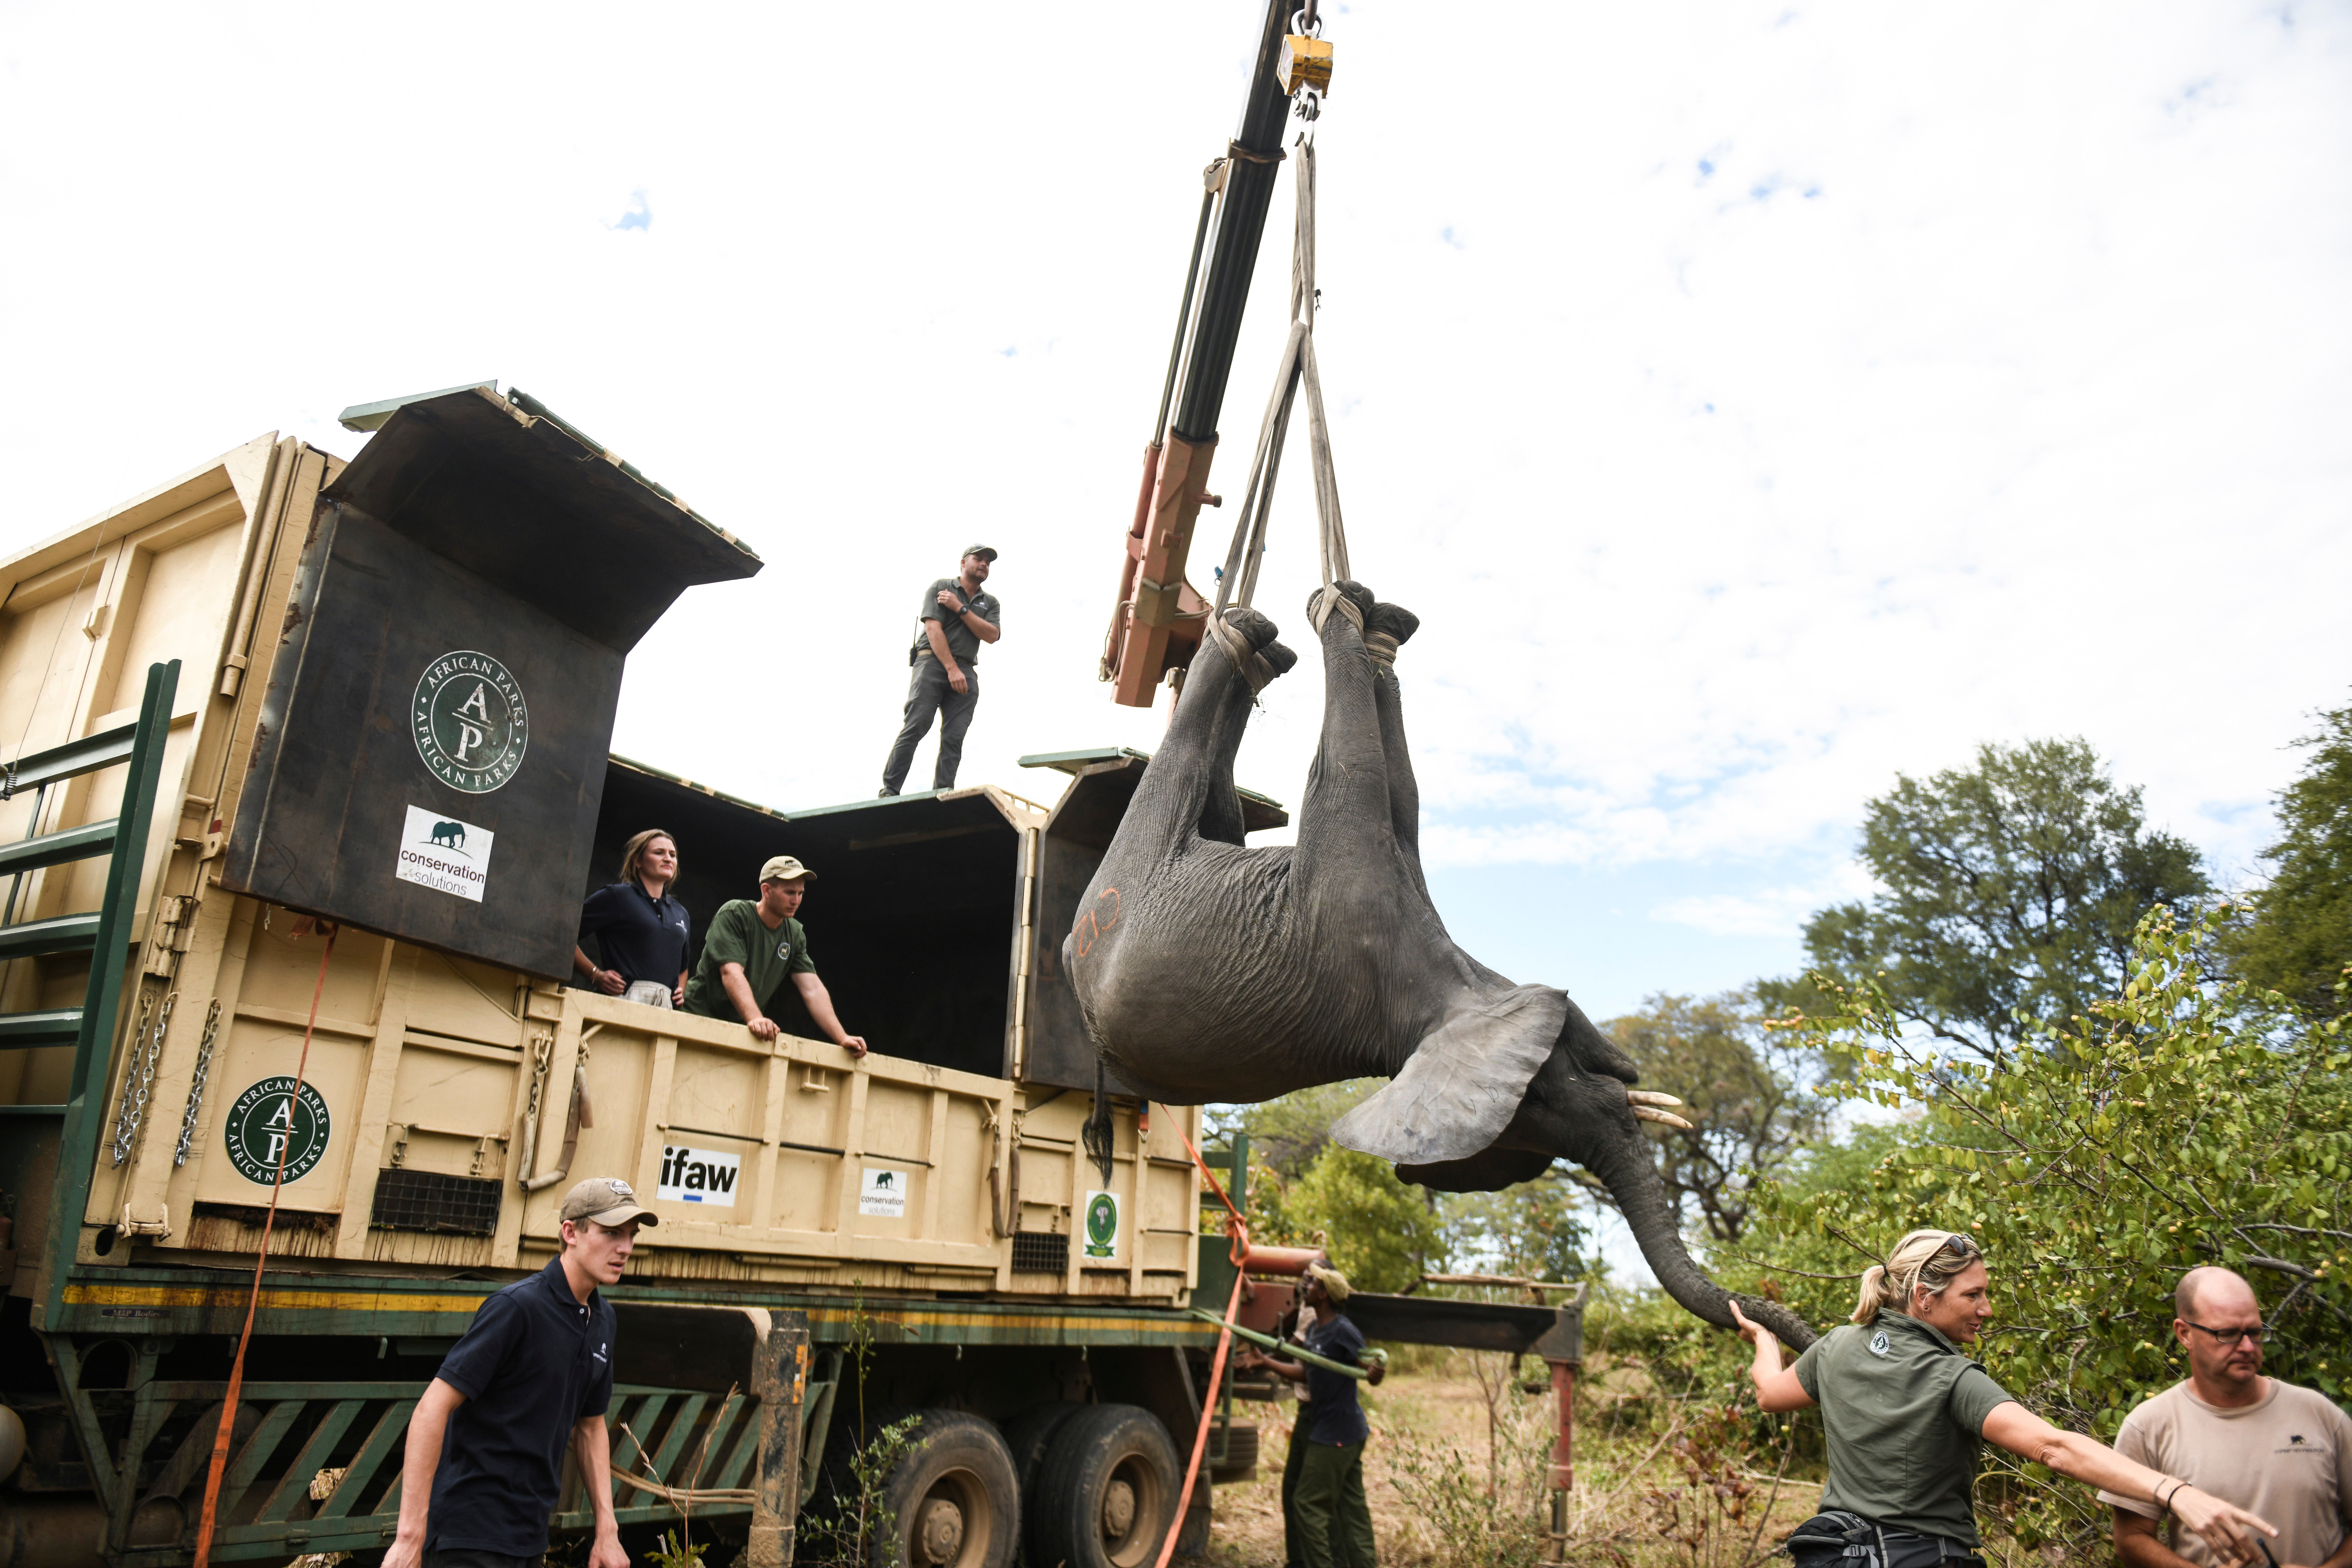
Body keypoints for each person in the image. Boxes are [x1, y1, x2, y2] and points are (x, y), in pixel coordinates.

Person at [1731, 1229, 2278, 1568]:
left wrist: (1763, 1340)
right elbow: (2052, 1446)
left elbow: (1768, 1393)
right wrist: (2175, 1491)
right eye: (1973, 1294)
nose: (1986, 1308)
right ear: (1924, 1297)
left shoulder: (1836, 1346)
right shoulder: (1951, 1376)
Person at [382, 1177, 653, 1568]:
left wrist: (607, 1533)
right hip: (468, 1536)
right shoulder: (517, 1308)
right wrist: (409, 1537)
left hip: (529, 1538)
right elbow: (431, 1409)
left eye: (631, 1235)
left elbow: (591, 1427)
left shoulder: (603, 1319)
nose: (625, 1248)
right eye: (611, 1233)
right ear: (570, 1233)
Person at [2102, 1266, 2352, 1568]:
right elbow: (2131, 1539)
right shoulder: (2149, 1427)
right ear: (2185, 1333)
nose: (2247, 1346)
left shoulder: (2320, 1414)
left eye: (2256, 1332)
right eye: (2229, 1334)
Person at [1240, 1263, 1380, 1568]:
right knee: (1350, 1506)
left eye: (1313, 1283)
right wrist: (1265, 1361)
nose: (1307, 1287)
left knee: (1307, 1503)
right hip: (1330, 1429)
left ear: (1325, 1294)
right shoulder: (1316, 1328)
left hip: (1338, 1434)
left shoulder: (1343, 1330)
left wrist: (1376, 1370)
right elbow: (1306, 1370)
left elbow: (1370, 1370)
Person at [681, 855, 868, 1055]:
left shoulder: (795, 933)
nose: (796, 901)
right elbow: (731, 972)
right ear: (767, 891)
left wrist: (842, 1038)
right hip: (696, 1018)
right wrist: (755, 1018)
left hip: (738, 1031)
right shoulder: (736, 914)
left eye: (800, 893)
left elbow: (812, 989)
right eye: (789, 893)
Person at [879, 544, 1001, 797]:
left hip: (966, 669)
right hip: (933, 663)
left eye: (988, 562)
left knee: (954, 738)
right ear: (963, 564)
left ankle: (943, 794)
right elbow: (934, 630)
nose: (984, 565)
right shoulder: (941, 588)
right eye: (978, 559)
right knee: (917, 725)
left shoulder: (990, 602)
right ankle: (890, 790)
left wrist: (960, 608)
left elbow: (991, 635)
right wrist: (951, 669)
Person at [572, 828, 690, 1008]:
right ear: (638, 861)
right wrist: (595, 975)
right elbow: (564, 934)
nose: (668, 859)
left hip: (665, 1007)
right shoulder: (617, 897)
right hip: (623, 1000)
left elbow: (683, 966)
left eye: (673, 855)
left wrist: (681, 989)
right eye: (659, 853)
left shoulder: (681, 913)